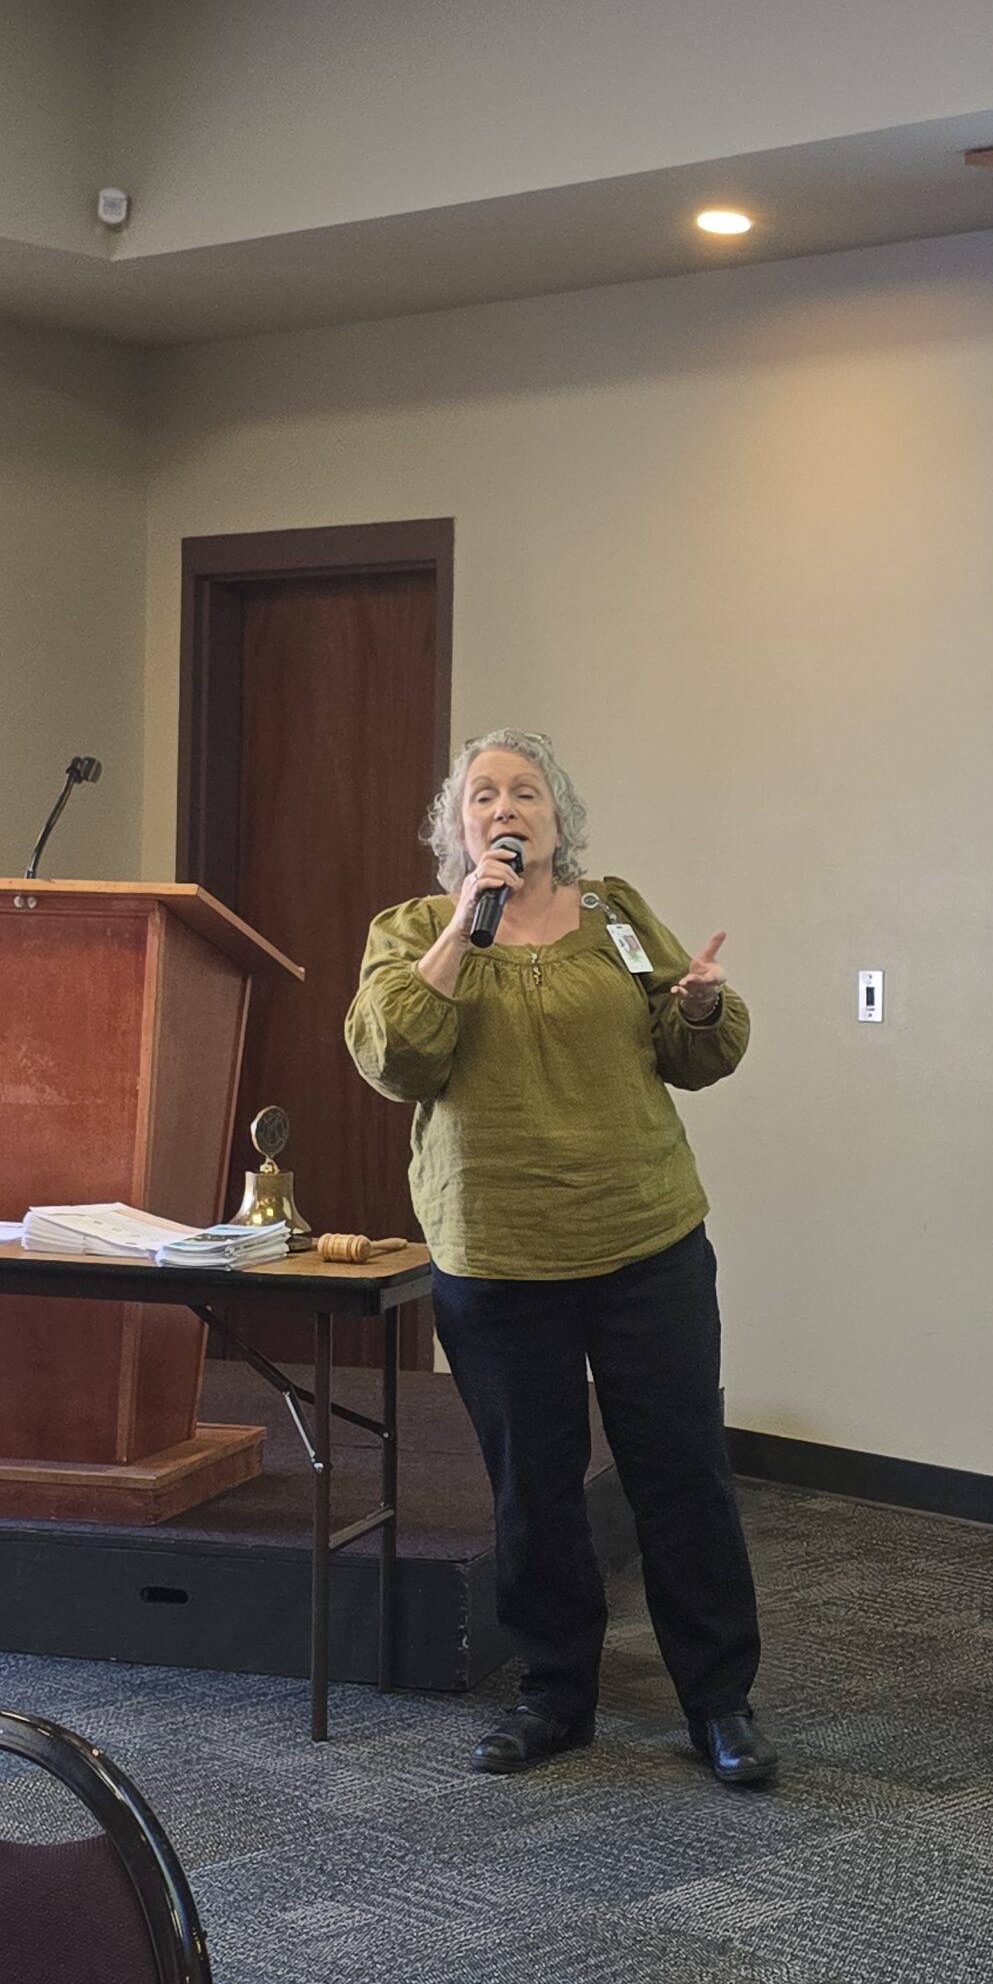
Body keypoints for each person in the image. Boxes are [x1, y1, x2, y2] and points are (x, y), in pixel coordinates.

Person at [345, 729, 775, 1788]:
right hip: (498, 1255)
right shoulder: (413, 929)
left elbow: (687, 1052)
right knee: (532, 1489)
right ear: (457, 827)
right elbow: (396, 1058)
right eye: (482, 795)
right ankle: (554, 1695)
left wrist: (702, 1006)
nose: (505, 808)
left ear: (557, 818)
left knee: (681, 1475)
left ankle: (718, 1701)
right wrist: (463, 928)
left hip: (645, 1239)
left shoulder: (615, 916)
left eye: (525, 792)